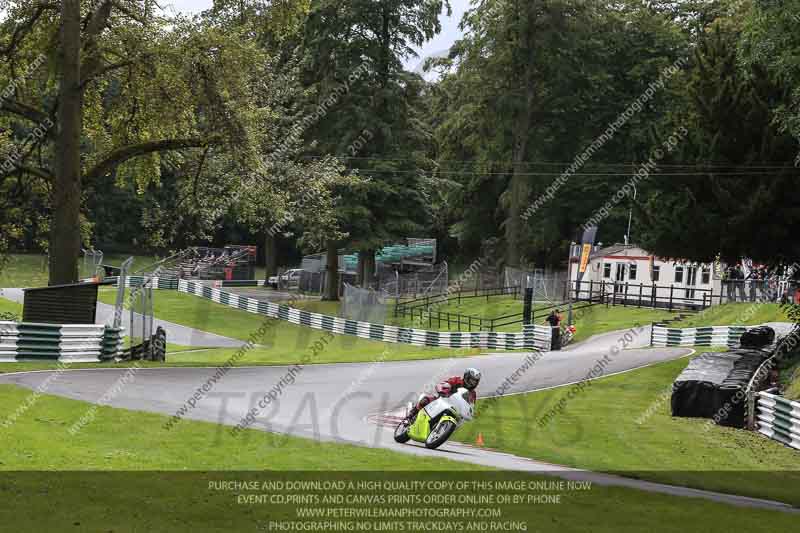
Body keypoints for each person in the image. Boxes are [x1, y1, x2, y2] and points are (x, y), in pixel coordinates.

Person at [406, 368, 482, 422]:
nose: (473, 383)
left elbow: (471, 407)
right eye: (471, 380)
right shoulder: (457, 380)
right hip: (443, 400)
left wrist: (469, 414)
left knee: (459, 422)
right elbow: (443, 384)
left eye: (475, 382)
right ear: (466, 377)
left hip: (455, 411)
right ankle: (411, 414)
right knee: (425, 400)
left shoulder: (473, 394)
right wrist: (442, 390)